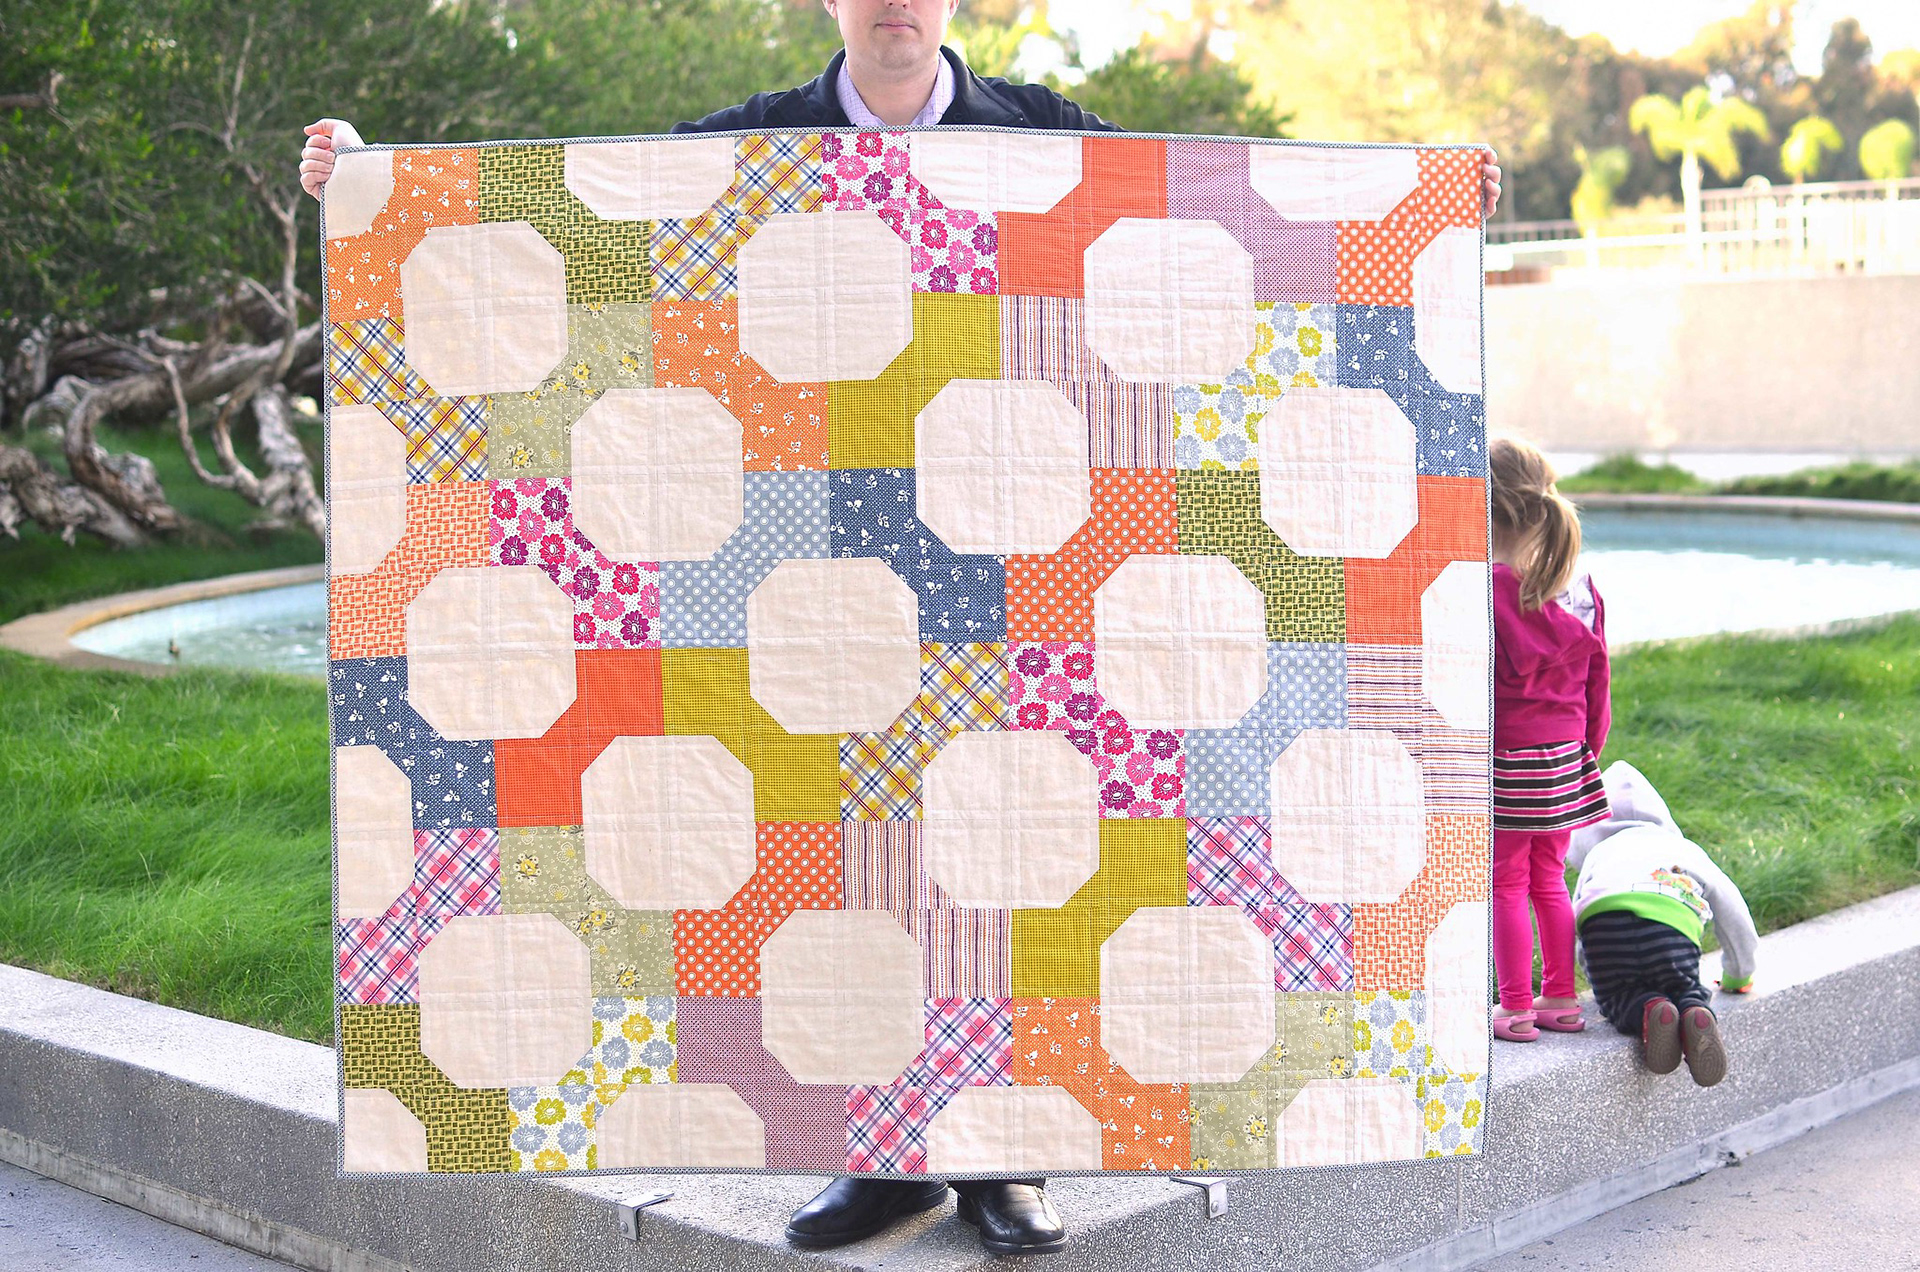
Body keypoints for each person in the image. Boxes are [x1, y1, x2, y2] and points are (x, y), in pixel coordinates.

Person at [299, 0, 1507, 1257]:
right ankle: (880, 1164)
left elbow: (1215, 226)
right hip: (827, 576)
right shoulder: (753, 143)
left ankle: (1008, 1159)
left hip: (1026, 565)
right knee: (841, 864)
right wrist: (373, 185)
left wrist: (1425, 198)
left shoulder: (1042, 135)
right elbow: (588, 234)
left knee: (1017, 856)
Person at [1488, 437, 1610, 1045]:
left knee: (1506, 882)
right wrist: (1589, 750)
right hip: (1568, 758)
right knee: (1549, 877)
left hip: (1509, 760)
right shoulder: (1583, 591)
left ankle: (1514, 1008)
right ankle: (1561, 999)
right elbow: (1598, 684)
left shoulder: (1483, 592)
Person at [1567, 760, 1756, 1086]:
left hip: (1605, 930)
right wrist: (1738, 973)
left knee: (1618, 997)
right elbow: (1730, 905)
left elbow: (1575, 922)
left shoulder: (1599, 855)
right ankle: (1694, 1008)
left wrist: (1583, 972)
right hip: (1670, 925)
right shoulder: (1682, 849)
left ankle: (1647, 1008)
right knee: (1684, 984)